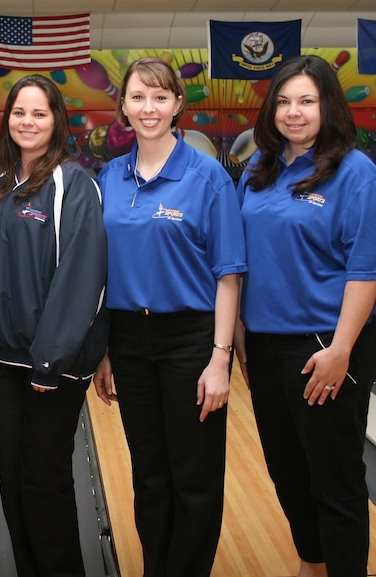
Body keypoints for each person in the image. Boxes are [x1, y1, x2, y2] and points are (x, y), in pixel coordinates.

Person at [234, 55, 376, 577]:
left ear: (328, 105)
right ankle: (313, 563)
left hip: (327, 346)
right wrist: (240, 339)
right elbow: (240, 261)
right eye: (284, 102)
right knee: (287, 470)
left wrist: (340, 351)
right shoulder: (259, 170)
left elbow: (366, 269)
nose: (294, 112)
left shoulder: (357, 174)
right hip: (264, 347)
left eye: (306, 101)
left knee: (335, 477)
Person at [92, 56, 246, 577]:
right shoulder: (109, 177)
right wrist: (106, 349)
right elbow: (100, 273)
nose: (149, 107)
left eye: (160, 97)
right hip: (129, 340)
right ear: (123, 107)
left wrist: (220, 358)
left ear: (178, 104)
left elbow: (229, 274)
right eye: (138, 97)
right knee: (150, 474)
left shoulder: (208, 178)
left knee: (194, 474)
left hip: (191, 340)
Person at [0, 74, 109, 577]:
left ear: (57, 121)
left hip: (49, 362)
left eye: (39, 113)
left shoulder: (73, 183)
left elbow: (83, 274)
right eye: (19, 112)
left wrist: (50, 359)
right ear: (7, 119)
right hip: (0, 357)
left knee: (43, 480)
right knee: (9, 475)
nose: (27, 121)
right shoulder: (0, 184)